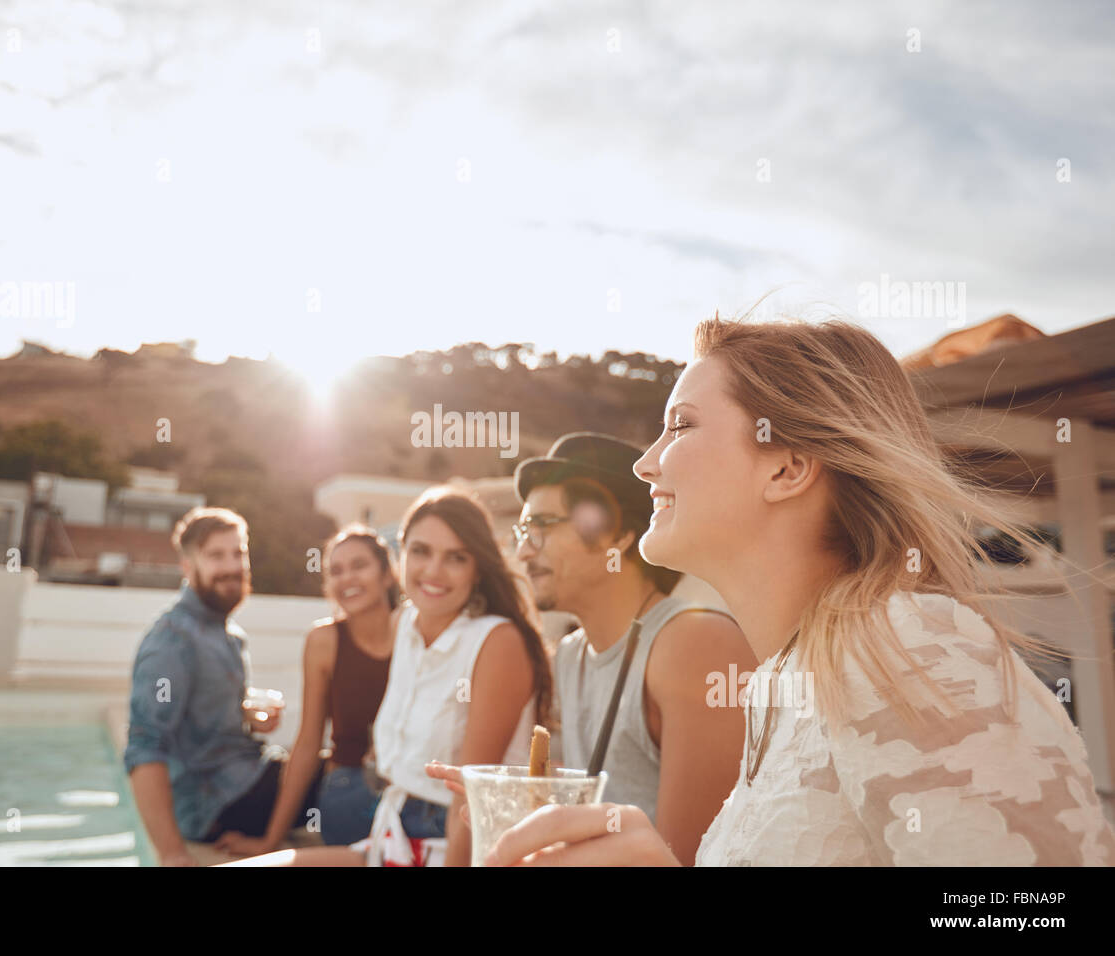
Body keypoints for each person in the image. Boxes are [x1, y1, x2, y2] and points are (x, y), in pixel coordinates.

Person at [430, 314, 1115, 866]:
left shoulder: (906, 642)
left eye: (681, 426)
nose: (645, 463)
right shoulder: (782, 683)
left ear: (787, 467)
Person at [221, 486, 553, 867]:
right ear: (401, 555)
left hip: (448, 841)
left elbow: (472, 798)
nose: (433, 571)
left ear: (477, 567)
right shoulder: (407, 625)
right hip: (390, 828)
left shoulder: (497, 641)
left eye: (456, 557)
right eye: (421, 551)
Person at [510, 432, 757, 863]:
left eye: (541, 527)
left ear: (619, 533)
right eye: (522, 529)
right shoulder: (569, 654)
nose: (522, 551)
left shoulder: (695, 644)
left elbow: (686, 859)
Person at [124, 507, 318, 866]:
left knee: (323, 767)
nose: (232, 566)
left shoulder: (228, 634)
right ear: (187, 566)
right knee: (336, 780)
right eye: (216, 555)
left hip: (247, 773)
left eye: (238, 553)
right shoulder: (171, 640)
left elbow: (203, 710)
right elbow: (144, 745)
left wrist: (245, 715)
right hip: (216, 804)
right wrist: (172, 853)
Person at [211, 525, 399, 856]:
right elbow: (309, 741)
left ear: (387, 574)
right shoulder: (324, 642)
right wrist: (271, 840)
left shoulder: (414, 633)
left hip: (409, 786)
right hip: (350, 789)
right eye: (336, 571)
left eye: (359, 566)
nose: (347, 578)